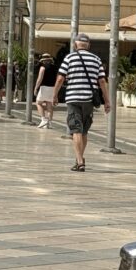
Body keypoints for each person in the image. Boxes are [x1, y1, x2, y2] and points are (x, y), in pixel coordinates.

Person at [52, 33, 110, 172]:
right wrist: (107, 100)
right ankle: (80, 158)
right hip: (89, 100)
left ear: (75, 44)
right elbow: (102, 80)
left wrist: (54, 95)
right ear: (88, 45)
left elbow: (60, 79)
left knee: (76, 130)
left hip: (73, 98)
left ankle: (79, 161)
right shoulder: (96, 59)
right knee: (83, 131)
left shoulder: (69, 58)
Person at [34, 53, 58, 128]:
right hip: (52, 87)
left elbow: (39, 79)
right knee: (49, 105)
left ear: (43, 61)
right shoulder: (55, 68)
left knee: (38, 103)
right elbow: (57, 78)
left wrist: (36, 88)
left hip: (44, 87)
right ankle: (49, 122)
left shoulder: (42, 68)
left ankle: (43, 119)